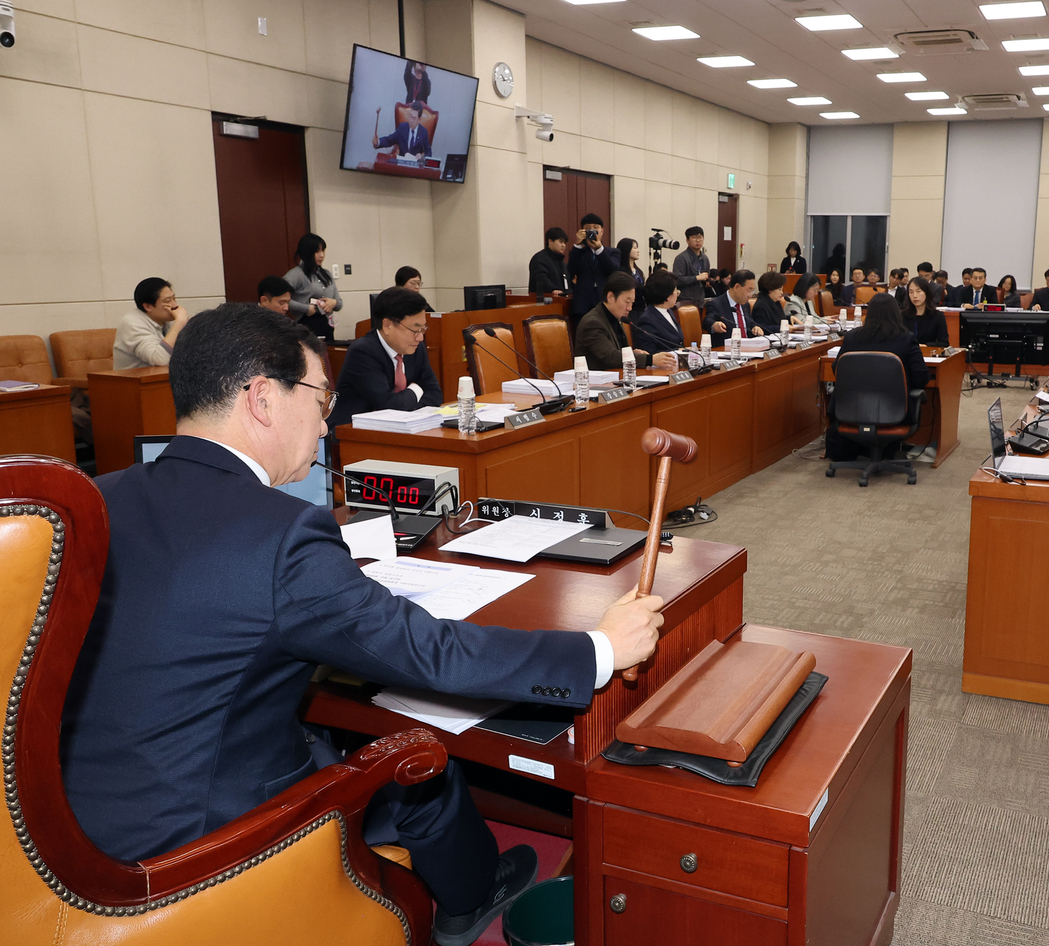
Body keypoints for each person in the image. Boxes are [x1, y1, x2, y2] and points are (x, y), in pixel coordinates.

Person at [60, 303, 664, 946]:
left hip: (73, 821)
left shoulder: (98, 496)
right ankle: (471, 897)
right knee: (415, 753)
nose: (326, 424)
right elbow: (428, 651)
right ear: (262, 398)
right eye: (322, 399)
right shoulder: (280, 533)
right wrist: (598, 648)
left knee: (333, 725)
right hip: (201, 840)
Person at [825, 293, 930, 462]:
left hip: (853, 408)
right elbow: (921, 379)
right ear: (897, 313)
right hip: (893, 412)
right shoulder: (906, 338)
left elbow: (837, 368)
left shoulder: (852, 337)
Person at [329, 287, 441, 428]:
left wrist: (406, 404)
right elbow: (389, 406)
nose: (420, 337)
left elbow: (435, 395)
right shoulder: (363, 352)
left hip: (397, 431)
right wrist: (417, 390)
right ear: (387, 325)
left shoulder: (415, 348)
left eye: (423, 329)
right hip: (353, 436)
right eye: (415, 329)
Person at [574, 272, 679, 371]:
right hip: (595, 383)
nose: (630, 308)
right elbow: (611, 357)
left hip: (617, 376)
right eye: (627, 302)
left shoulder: (616, 318)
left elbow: (618, 352)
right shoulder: (593, 323)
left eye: (632, 303)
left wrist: (634, 354)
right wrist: (650, 359)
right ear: (610, 297)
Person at [114, 277, 189, 369]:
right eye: (168, 301)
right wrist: (180, 322)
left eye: (174, 298)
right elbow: (160, 359)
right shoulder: (132, 323)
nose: (175, 305)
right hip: (132, 382)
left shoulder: (165, 321)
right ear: (148, 307)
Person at [285, 233, 342, 341]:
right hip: (305, 325)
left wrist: (333, 303)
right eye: (317, 251)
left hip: (326, 324)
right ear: (307, 252)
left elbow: (339, 302)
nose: (321, 255)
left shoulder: (327, 274)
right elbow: (281, 299)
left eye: (323, 251)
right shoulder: (295, 275)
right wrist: (305, 308)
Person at [567, 213, 618, 316]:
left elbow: (613, 271)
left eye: (595, 228)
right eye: (588, 229)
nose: (592, 231)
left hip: (604, 303)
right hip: (582, 305)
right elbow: (569, 272)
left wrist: (599, 249)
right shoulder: (579, 252)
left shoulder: (613, 252)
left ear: (602, 231)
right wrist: (577, 246)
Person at [630, 269, 686, 352]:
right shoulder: (647, 321)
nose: (678, 293)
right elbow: (649, 353)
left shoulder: (669, 311)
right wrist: (680, 351)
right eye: (675, 290)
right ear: (667, 295)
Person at [705, 269, 759, 341]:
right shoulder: (716, 304)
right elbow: (707, 321)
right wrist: (714, 325)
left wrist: (755, 327)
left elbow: (750, 323)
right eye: (749, 290)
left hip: (748, 348)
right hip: (728, 349)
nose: (750, 295)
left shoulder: (745, 305)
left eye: (752, 290)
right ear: (737, 287)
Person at [897, 277, 949, 347]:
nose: (914, 296)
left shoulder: (938, 316)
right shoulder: (902, 315)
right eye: (911, 292)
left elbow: (944, 343)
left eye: (918, 291)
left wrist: (926, 346)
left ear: (926, 293)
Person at [672, 226, 711, 308]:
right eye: (694, 237)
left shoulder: (705, 258)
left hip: (700, 299)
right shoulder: (681, 258)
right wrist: (696, 278)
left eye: (700, 237)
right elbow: (677, 279)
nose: (698, 240)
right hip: (685, 300)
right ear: (687, 240)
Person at [529, 226, 571, 296]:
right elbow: (541, 278)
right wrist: (553, 289)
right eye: (560, 242)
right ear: (550, 241)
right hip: (544, 300)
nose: (563, 245)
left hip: (561, 299)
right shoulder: (539, 259)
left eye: (565, 243)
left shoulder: (561, 262)